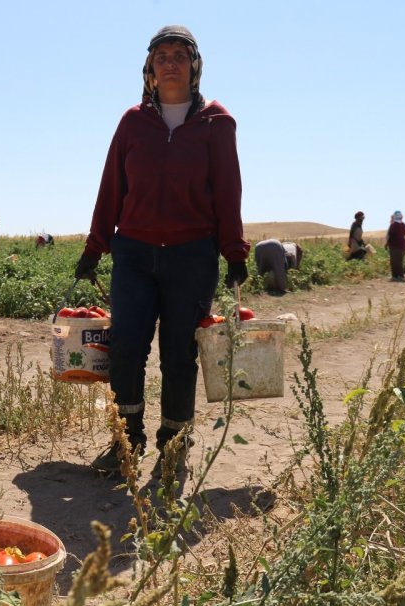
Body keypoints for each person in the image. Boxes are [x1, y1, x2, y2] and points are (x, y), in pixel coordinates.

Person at [74, 25, 249, 475]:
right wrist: (95, 247)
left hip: (192, 255)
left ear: (194, 66)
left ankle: (174, 445)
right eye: (162, 55)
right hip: (133, 253)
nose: (170, 62)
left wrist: (235, 253)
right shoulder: (133, 122)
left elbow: (229, 191)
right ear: (150, 69)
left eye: (179, 55)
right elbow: (112, 186)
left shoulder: (217, 121)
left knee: (178, 354)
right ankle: (126, 440)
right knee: (128, 347)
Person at [385, 211, 405, 282]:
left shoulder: (393, 225)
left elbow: (389, 235)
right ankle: (400, 276)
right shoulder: (403, 224)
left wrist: (386, 244)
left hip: (395, 245)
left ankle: (396, 276)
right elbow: (404, 233)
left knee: (394, 261)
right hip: (403, 245)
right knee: (399, 261)